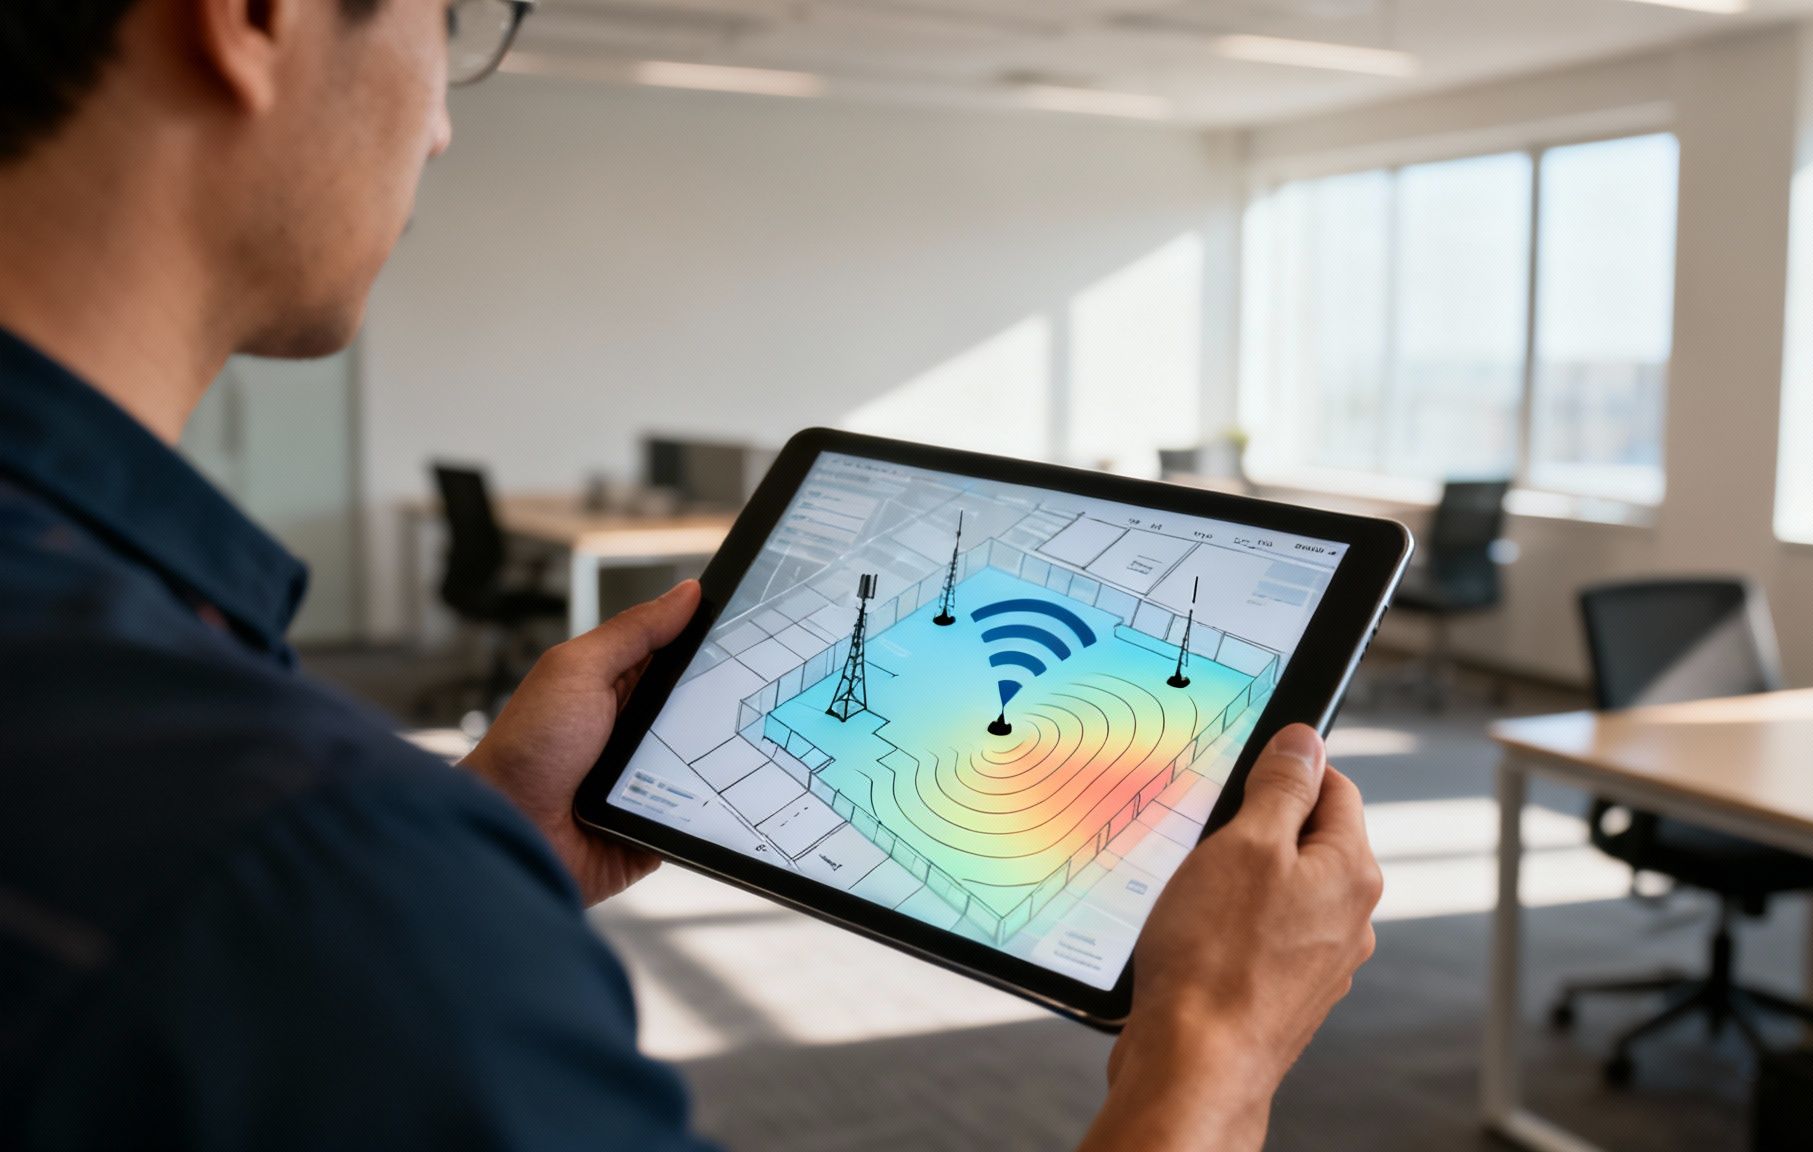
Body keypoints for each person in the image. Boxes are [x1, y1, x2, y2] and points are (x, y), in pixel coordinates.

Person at [0, 1, 1384, 1148]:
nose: (437, 121)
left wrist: (490, 848)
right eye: (450, 26)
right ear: (256, 20)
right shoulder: (289, 851)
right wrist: (1209, 1059)